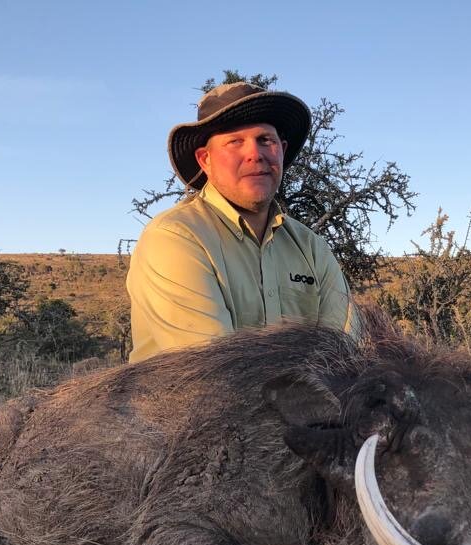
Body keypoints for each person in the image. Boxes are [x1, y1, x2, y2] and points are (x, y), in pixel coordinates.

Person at [126, 82, 359, 363]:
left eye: (265, 140)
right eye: (235, 141)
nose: (255, 154)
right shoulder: (174, 238)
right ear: (205, 160)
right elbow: (213, 372)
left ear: (281, 151)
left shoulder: (311, 247)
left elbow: (343, 357)